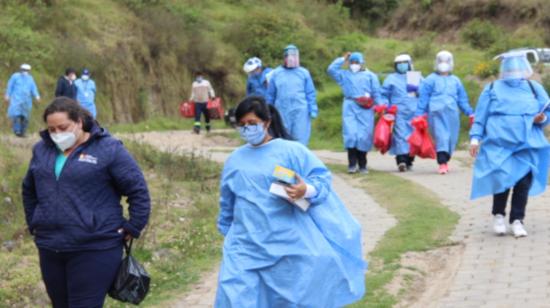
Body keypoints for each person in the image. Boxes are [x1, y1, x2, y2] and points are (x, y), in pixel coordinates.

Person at [215, 96, 366, 307]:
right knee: (236, 297)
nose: (247, 129)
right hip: (244, 246)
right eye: (241, 125)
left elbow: (321, 179)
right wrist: (225, 228)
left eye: (252, 124)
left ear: (266, 123)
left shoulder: (292, 151)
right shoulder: (235, 160)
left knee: (289, 298)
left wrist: (306, 189)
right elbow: (227, 200)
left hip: (286, 243)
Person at [22, 97, 151, 307]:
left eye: (62, 127)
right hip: (50, 246)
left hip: (95, 246)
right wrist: (35, 222)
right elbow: (29, 189)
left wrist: (134, 226)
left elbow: (137, 190)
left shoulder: (108, 149)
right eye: (51, 129)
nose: (56, 134)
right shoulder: (41, 150)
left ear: (79, 122)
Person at [469, 51, 550, 238]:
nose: (513, 71)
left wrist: (542, 118)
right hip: (499, 143)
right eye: (510, 67)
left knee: (523, 182)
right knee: (502, 179)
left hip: (527, 144)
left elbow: (547, 111)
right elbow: (481, 116)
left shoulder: (533, 87)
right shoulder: (492, 89)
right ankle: (498, 215)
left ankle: (517, 220)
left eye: (517, 66)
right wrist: (475, 139)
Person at [414, 50, 474, 174]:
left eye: (446, 61)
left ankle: (445, 159)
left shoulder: (456, 81)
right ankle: (442, 163)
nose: (443, 64)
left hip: (452, 114)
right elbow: (423, 98)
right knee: (442, 137)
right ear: (436, 62)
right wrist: (419, 115)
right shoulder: (430, 80)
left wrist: (470, 112)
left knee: (451, 139)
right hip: (436, 113)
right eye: (441, 61)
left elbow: (462, 99)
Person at [327, 51, 384, 174]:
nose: (354, 65)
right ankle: (352, 164)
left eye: (356, 62)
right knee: (351, 135)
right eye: (352, 62)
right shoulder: (344, 75)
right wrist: (343, 58)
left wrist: (380, 107)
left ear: (362, 63)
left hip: (366, 107)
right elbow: (331, 70)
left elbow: (377, 93)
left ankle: (363, 164)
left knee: (363, 136)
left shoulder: (370, 76)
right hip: (350, 105)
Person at [266, 44, 317, 145]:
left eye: (294, 55)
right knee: (283, 136)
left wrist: (313, 109)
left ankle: (298, 160)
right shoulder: (276, 73)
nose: (291, 58)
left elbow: (310, 93)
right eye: (289, 56)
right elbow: (270, 94)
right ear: (284, 57)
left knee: (300, 137)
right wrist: (268, 110)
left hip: (300, 111)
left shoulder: (304, 73)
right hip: (281, 111)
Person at [381, 54, 421, 172]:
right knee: (400, 136)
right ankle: (401, 160)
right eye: (399, 64)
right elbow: (384, 94)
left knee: (412, 137)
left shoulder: (414, 77)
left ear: (409, 64)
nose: (402, 66)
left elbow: (423, 93)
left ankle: (410, 160)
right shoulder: (391, 79)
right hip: (398, 112)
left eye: (404, 63)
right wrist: (387, 107)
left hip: (414, 112)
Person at [4, 63, 41, 137]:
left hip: (26, 101)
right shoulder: (15, 76)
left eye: (27, 70)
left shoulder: (30, 78)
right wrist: (7, 95)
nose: (25, 71)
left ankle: (23, 132)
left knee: (25, 117)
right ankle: (17, 131)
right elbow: (10, 86)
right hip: (16, 100)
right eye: (24, 70)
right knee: (16, 116)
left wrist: (37, 96)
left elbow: (33, 88)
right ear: (20, 70)